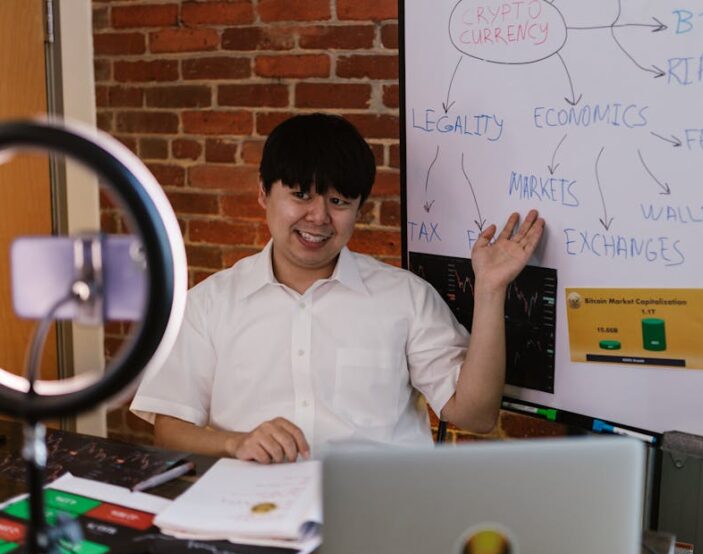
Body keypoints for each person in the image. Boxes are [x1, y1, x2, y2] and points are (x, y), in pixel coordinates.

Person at [130, 113, 544, 463]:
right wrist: (234, 443)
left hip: (379, 514)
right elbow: (169, 429)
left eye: (339, 202)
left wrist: (490, 290)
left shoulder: (405, 297)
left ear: (359, 210)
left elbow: (475, 416)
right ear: (263, 193)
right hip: (252, 513)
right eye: (300, 195)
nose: (318, 217)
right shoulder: (209, 303)